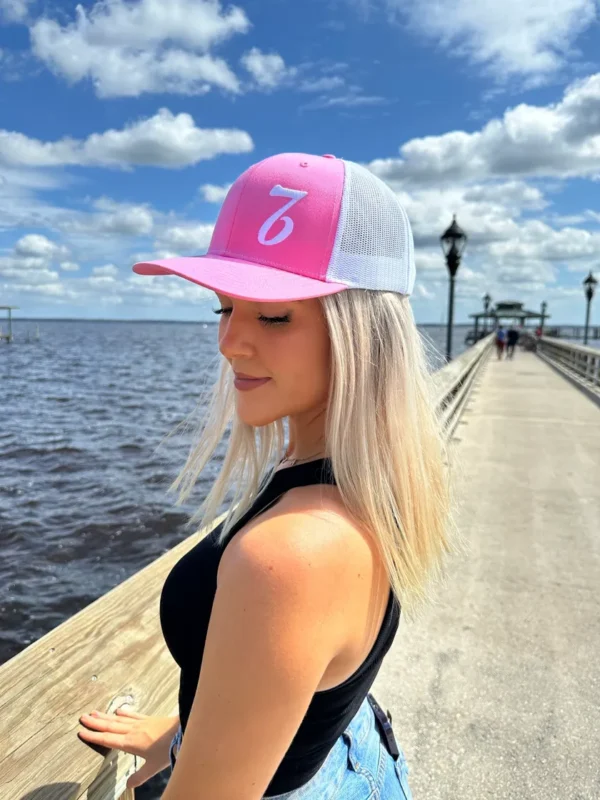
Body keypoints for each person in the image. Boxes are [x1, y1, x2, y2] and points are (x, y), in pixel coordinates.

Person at [78, 153, 458, 799]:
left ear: (361, 331)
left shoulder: (293, 551)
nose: (230, 342)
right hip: (343, 751)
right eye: (224, 308)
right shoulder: (364, 478)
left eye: (273, 315)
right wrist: (185, 732)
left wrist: (194, 762)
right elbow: (302, 684)